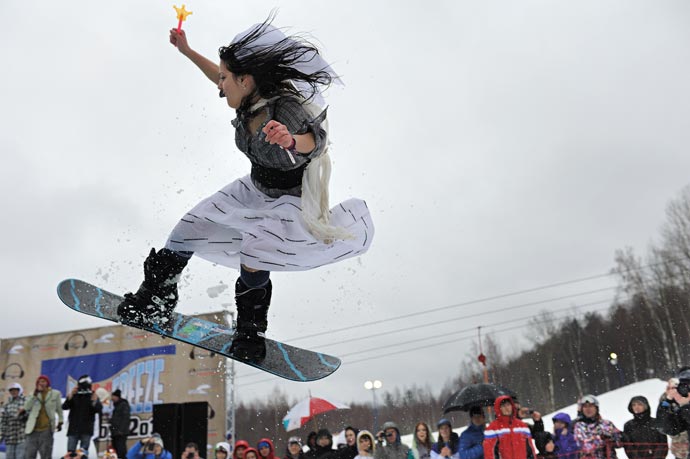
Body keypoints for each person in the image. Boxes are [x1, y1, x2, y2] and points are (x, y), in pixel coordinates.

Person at [116, 14, 374, 355]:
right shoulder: (246, 97)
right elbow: (219, 77)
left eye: (225, 79)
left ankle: (250, 331)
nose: (219, 86)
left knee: (255, 252)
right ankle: (156, 298)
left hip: (290, 199)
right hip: (252, 188)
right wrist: (187, 51)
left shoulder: (284, 107)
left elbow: (318, 142)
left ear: (245, 80)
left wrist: (292, 141)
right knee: (187, 229)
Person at [23, 375, 64, 459]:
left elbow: (59, 409)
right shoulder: (33, 394)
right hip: (32, 429)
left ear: (47, 383)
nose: (41, 383)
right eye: (39, 381)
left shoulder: (55, 393)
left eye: (43, 381)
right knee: (29, 455)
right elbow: (26, 407)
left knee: (46, 455)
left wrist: (60, 421)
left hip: (46, 429)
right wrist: (35, 394)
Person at [62, 375, 103, 458]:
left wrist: (94, 401)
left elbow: (98, 409)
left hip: (86, 429)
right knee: (70, 454)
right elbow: (64, 407)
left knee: (83, 454)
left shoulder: (92, 396)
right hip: (73, 429)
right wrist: (70, 396)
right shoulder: (75, 395)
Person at [573, 394, 621, 459]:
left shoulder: (606, 424)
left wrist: (614, 438)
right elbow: (583, 446)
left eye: (591, 406)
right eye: (585, 407)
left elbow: (619, 442)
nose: (588, 409)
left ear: (596, 408)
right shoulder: (579, 426)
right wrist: (601, 439)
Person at [0, 382, 28, 459]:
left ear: (20, 390)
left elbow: (30, 417)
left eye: (16, 390)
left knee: (21, 457)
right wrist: (1, 436)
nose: (14, 392)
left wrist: (23, 413)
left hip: (22, 437)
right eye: (11, 390)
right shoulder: (7, 404)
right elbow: (3, 422)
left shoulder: (26, 401)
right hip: (10, 437)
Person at [110, 389, 131, 459]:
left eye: (113, 396)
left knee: (121, 450)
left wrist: (121, 430)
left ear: (117, 397)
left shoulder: (123, 405)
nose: (112, 398)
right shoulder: (116, 406)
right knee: (116, 450)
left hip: (120, 433)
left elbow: (126, 418)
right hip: (115, 433)